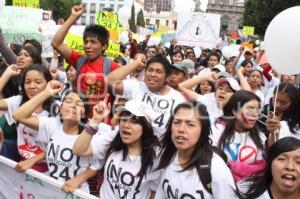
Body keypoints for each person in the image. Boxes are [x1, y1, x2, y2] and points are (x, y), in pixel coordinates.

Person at [12, 80, 100, 193]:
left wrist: (78, 179)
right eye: (68, 101)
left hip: (76, 193)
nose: (73, 105)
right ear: (60, 107)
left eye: (78, 104)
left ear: (83, 113)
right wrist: (47, 92)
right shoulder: (52, 124)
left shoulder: (91, 133)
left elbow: (98, 164)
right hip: (51, 190)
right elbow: (18, 115)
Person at [72, 98, 160, 198]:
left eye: (134, 122)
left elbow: (153, 193)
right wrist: (95, 121)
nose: (126, 125)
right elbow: (78, 150)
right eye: (123, 119)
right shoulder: (113, 138)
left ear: (146, 128)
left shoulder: (156, 156)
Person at [155, 101, 237, 198]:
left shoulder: (215, 167)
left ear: (203, 130)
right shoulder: (167, 157)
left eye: (190, 124)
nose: (181, 129)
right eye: (177, 122)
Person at [51, 4, 119, 116]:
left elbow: (121, 96)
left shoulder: (113, 66)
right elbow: (56, 43)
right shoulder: (79, 60)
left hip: (100, 123)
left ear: (104, 46)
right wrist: (73, 17)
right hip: (77, 119)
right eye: (86, 42)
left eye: (93, 42)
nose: (88, 45)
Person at [107, 54, 186, 138]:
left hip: (158, 149)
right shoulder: (136, 86)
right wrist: (136, 63)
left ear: (167, 77)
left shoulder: (178, 99)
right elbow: (110, 80)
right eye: (150, 70)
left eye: (158, 71)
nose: (153, 74)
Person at [0, 64, 53, 172]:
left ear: (48, 84)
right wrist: (7, 74)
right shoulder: (19, 101)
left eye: (38, 82)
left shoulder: (56, 108)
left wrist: (34, 159)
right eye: (27, 82)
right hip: (22, 165)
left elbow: (61, 144)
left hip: (48, 170)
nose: (32, 86)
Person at [212, 90, 266, 182]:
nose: (255, 114)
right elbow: (212, 163)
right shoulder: (216, 130)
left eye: (257, 110)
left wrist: (233, 166)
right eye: (250, 108)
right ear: (235, 111)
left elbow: (261, 168)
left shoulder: (260, 136)